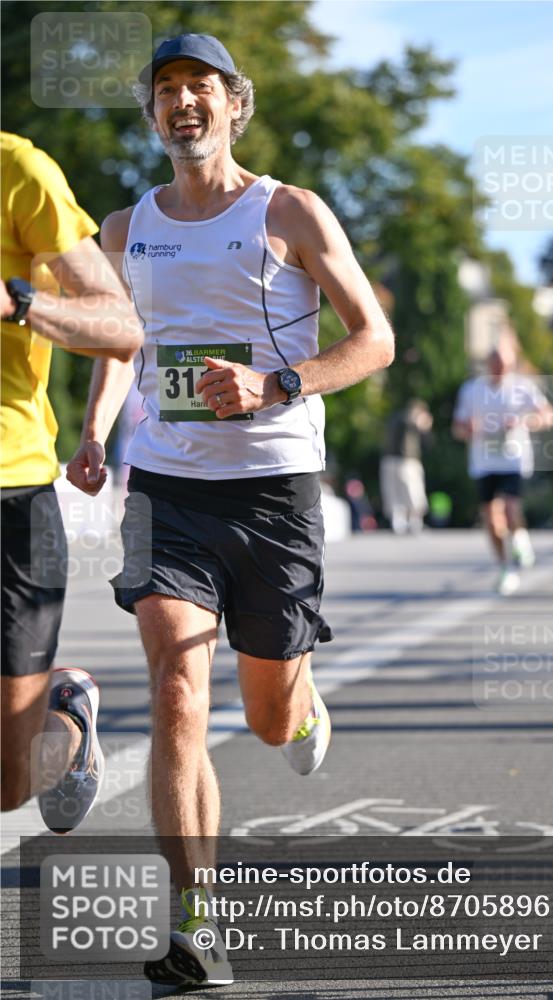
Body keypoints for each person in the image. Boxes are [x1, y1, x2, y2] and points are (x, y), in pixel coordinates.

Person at [65, 33, 394, 985]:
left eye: (199, 87)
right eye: (165, 89)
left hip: (274, 489)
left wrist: (273, 384)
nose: (182, 103)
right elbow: (116, 338)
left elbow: (373, 341)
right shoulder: (127, 227)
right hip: (163, 485)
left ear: (234, 105)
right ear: (153, 113)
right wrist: (95, 430)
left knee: (263, 718)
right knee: (174, 686)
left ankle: (297, 699)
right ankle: (196, 925)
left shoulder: (286, 209)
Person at [0, 132, 143, 832]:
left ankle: (65, 712)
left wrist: (16, 302)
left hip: (12, 489)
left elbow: (119, 326)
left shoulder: (19, 170)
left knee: (9, 780)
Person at [452, 335, 553, 596]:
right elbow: (457, 427)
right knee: (491, 520)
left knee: (510, 509)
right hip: (483, 461)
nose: (500, 368)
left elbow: (548, 416)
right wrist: (468, 428)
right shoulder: (471, 389)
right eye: (495, 362)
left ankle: (520, 539)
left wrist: (525, 422)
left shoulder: (523, 387)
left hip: (513, 458)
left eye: (505, 363)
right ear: (488, 363)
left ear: (511, 364)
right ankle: (505, 567)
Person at [380, 399, 433, 534]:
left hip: (404, 460)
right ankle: (400, 522)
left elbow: (427, 443)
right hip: (401, 461)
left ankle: (413, 522)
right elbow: (409, 422)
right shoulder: (404, 419)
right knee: (402, 493)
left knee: (411, 493)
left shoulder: (398, 418)